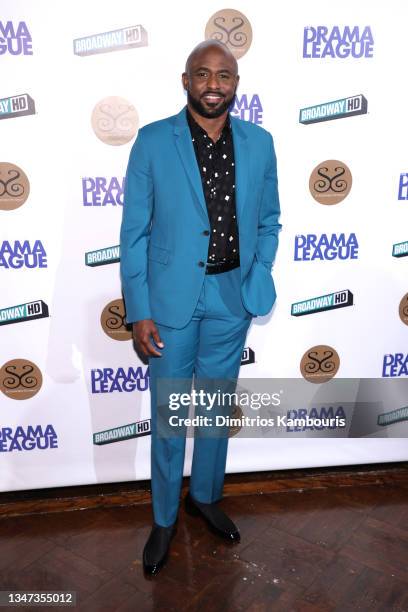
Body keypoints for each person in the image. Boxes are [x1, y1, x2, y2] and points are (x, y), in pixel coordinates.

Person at [120, 39, 281, 576]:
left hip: (231, 297)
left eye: (225, 75)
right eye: (203, 74)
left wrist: (257, 275)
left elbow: (269, 222)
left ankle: (205, 496)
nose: (214, 84)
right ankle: (164, 517)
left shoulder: (261, 143)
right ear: (185, 80)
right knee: (170, 413)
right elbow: (134, 234)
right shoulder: (151, 142)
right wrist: (139, 308)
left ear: (237, 84)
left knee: (215, 407)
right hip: (169, 301)